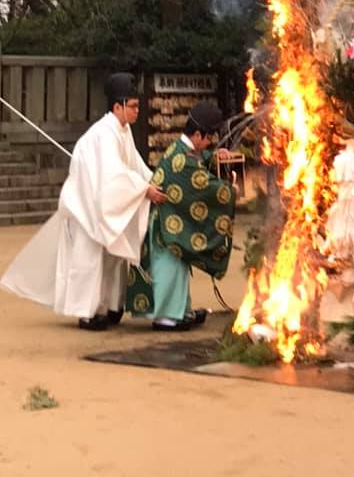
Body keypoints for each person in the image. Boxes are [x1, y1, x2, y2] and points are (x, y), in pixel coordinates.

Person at [0, 73, 166, 330]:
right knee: (90, 261)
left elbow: (134, 164)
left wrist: (152, 180)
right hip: (86, 208)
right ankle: (87, 313)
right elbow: (113, 174)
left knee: (113, 259)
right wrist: (145, 189)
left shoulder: (123, 131)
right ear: (117, 106)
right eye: (133, 106)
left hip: (102, 205)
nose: (136, 111)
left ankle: (111, 305)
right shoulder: (103, 134)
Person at [127, 101, 240, 331]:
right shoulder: (183, 160)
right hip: (166, 227)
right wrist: (230, 191)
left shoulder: (182, 150)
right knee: (168, 270)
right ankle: (165, 317)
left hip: (169, 221)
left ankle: (179, 312)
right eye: (209, 138)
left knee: (176, 271)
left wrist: (215, 156)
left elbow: (201, 160)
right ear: (197, 134)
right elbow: (204, 185)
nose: (210, 143)